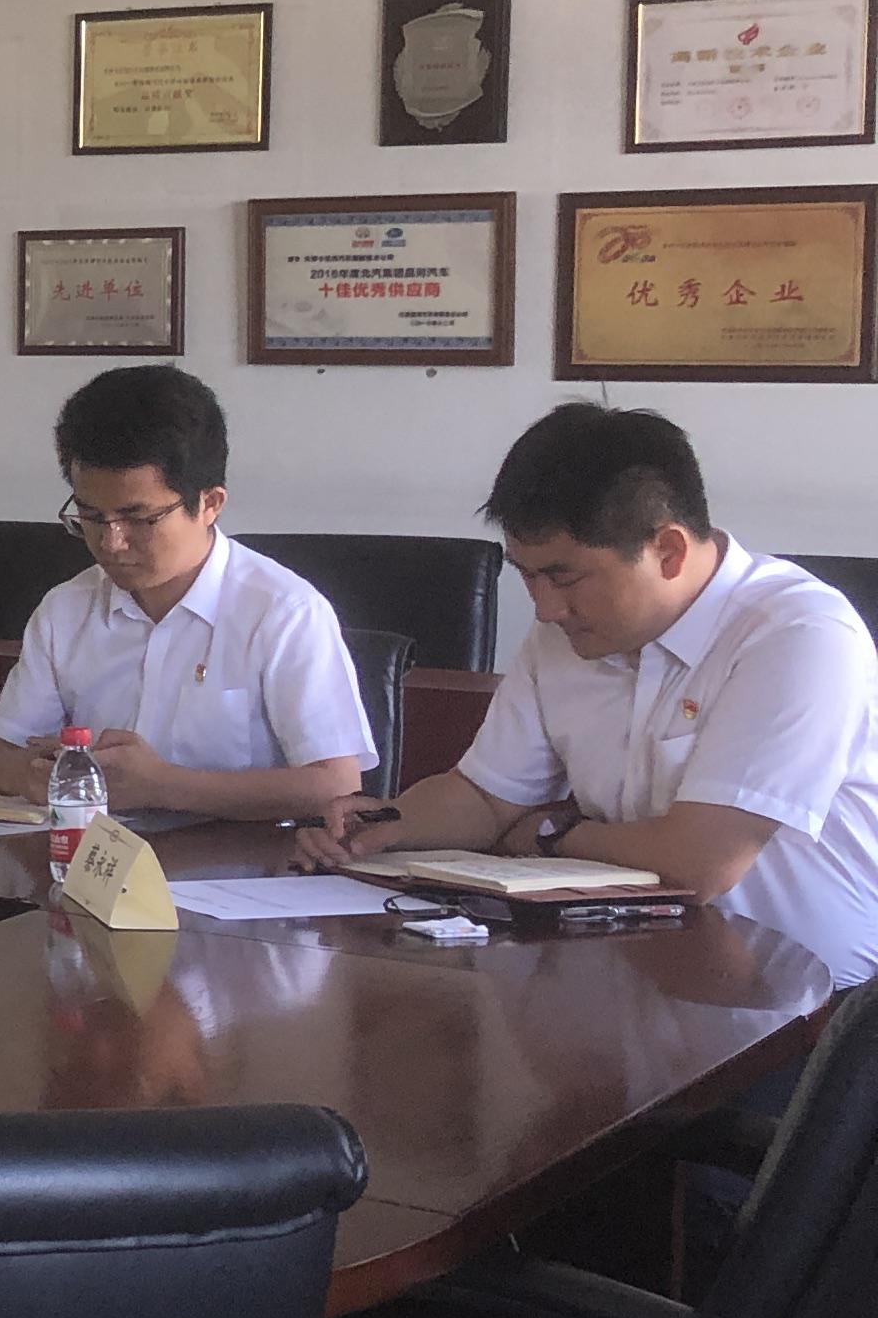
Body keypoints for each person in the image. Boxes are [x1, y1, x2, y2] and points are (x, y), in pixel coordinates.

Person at [304, 403, 878, 982]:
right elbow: (485, 797)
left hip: (805, 1002)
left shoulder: (798, 636)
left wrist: (552, 836)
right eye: (526, 574)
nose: (544, 608)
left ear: (669, 552)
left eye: (564, 577)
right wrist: (390, 825)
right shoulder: (567, 635)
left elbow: (700, 862)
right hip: (628, 970)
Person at [0, 364, 372, 821]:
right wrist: (31, 776)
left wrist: (164, 786)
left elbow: (336, 785)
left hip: (232, 861)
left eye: (139, 519)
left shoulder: (282, 611)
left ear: (210, 504)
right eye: (91, 517)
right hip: (89, 854)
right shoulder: (66, 608)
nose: (111, 542)